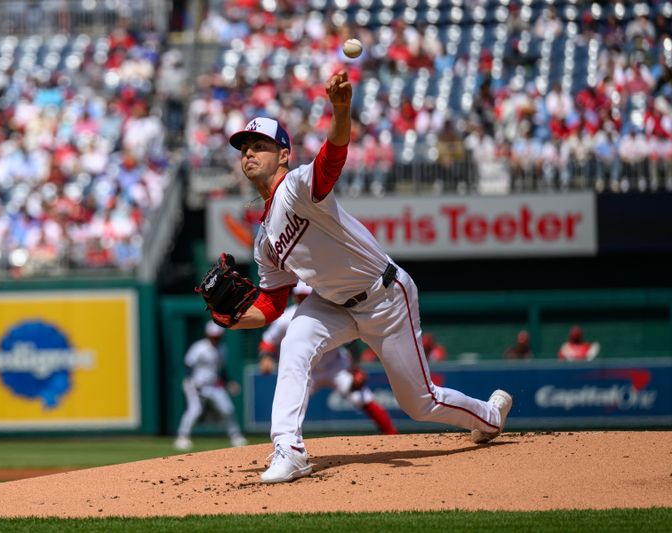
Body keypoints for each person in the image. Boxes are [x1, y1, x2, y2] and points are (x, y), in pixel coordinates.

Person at [214, 70, 512, 484]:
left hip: (384, 295)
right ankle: (289, 448)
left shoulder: (298, 185)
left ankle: (491, 416)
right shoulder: (264, 241)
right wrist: (228, 318)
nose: (248, 153)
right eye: (244, 147)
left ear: (283, 154)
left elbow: (332, 158)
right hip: (332, 303)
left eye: (259, 145)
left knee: (419, 403)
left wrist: (340, 108)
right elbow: (271, 304)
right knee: (295, 341)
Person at [258, 281, 397, 435]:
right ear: (295, 297)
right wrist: (266, 357)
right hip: (307, 372)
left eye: (307, 296)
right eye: (301, 296)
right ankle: (285, 442)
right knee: (290, 402)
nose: (304, 300)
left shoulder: (328, 315)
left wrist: (356, 367)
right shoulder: (287, 318)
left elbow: (352, 343)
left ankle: (392, 435)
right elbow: (268, 341)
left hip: (336, 367)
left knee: (361, 397)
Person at [173, 322, 248, 451]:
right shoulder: (199, 347)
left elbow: (220, 369)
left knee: (227, 409)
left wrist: (229, 382)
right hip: (195, 384)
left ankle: (235, 436)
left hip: (213, 384)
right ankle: (182, 437)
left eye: (217, 336)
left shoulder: (222, 348)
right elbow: (188, 365)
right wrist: (191, 382)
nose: (215, 339)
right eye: (213, 336)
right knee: (195, 410)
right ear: (208, 335)